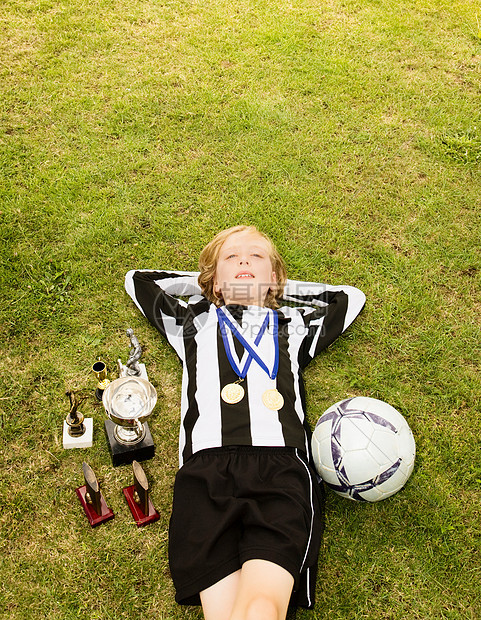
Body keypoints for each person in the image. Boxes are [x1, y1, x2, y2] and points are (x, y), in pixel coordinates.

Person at [125, 225, 365, 620]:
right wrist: (213, 288)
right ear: (213, 279)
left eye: (256, 257)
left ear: (276, 276)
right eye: (232, 258)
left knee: (261, 607)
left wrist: (269, 290)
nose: (243, 262)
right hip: (205, 474)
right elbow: (140, 281)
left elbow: (348, 298)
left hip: (282, 471)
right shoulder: (193, 322)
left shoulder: (293, 323)